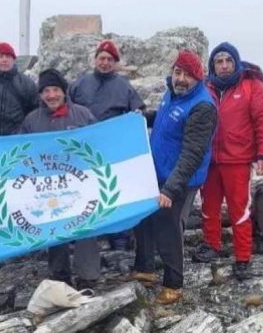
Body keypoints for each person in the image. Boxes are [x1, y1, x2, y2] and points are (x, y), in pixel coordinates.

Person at [131, 50, 216, 304]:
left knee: (169, 227)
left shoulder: (202, 106)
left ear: (197, 77)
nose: (180, 78)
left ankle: (173, 284)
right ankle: (145, 269)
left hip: (180, 179)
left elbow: (192, 154)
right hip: (158, 171)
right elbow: (166, 118)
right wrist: (144, 118)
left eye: (187, 75)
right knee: (144, 219)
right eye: (177, 72)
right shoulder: (173, 93)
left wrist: (170, 190)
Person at [193, 42, 263, 282]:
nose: (224, 65)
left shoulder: (252, 85)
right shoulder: (204, 88)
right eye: (218, 61)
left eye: (228, 60)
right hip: (209, 160)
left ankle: (242, 257)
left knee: (239, 210)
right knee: (209, 207)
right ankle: (211, 245)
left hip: (237, 159)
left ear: (236, 62)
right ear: (212, 66)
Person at [20, 68, 100, 289]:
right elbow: (20, 153)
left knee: (86, 227)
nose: (51, 95)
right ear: (41, 95)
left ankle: (88, 277)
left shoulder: (83, 115)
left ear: (64, 91)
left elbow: (99, 144)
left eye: (55, 89)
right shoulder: (31, 121)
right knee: (55, 228)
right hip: (47, 189)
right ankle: (60, 277)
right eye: (46, 91)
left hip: (81, 186)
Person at [68, 39, 146, 250]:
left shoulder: (124, 86)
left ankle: (118, 235)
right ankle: (78, 232)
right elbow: (65, 110)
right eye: (102, 58)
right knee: (82, 191)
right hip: (83, 151)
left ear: (115, 63)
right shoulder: (79, 84)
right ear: (95, 60)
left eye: (110, 59)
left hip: (113, 151)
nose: (105, 62)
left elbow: (138, 112)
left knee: (113, 191)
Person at [0, 42, 39, 136]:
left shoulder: (26, 83)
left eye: (8, 56)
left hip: (17, 141)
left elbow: (37, 110)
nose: (4, 60)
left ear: (14, 60)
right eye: (1, 56)